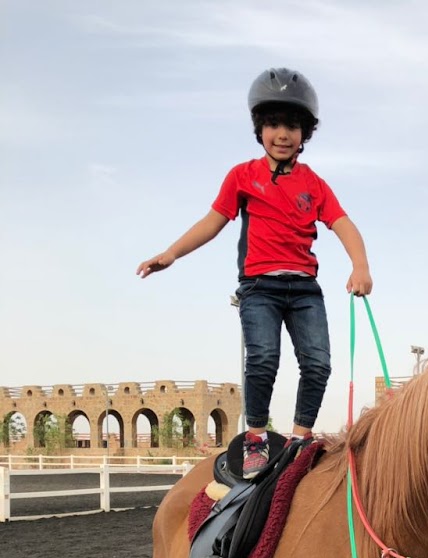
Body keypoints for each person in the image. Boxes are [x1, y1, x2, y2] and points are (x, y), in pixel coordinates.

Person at [137, 67, 372, 478]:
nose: (283, 134)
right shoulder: (242, 176)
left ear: (305, 135)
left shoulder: (313, 184)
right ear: (260, 129)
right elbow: (212, 221)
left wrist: (360, 266)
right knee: (264, 358)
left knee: (318, 364)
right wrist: (171, 253)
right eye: (274, 124)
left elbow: (344, 224)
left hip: (304, 289)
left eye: (293, 126)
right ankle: (257, 438)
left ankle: (299, 441)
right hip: (259, 287)